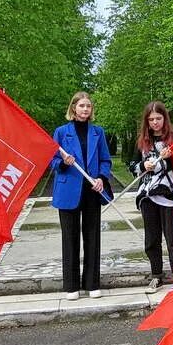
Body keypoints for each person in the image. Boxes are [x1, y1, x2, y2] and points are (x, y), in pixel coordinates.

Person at [51, 91, 112, 300]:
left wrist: (102, 178)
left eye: (88, 106)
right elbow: (51, 160)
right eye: (81, 106)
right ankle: (71, 286)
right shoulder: (61, 132)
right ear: (73, 108)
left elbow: (106, 160)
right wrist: (62, 162)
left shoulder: (98, 132)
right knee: (70, 238)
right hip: (68, 190)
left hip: (92, 191)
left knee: (93, 237)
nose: (85, 109)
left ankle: (92, 283)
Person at [129, 101, 173, 294]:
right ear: (147, 121)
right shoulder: (142, 141)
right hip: (147, 196)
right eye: (151, 119)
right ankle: (156, 275)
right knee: (151, 238)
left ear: (165, 119)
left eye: (158, 118)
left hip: (168, 195)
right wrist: (142, 166)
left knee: (172, 239)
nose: (155, 123)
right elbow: (132, 165)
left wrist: (171, 158)